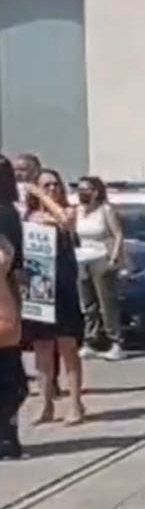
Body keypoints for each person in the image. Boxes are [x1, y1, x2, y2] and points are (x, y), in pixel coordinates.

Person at [22, 170, 86, 426]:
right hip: (39, 289)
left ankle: (75, 403)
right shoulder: (29, 217)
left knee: (67, 346)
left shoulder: (67, 212)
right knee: (42, 350)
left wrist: (43, 196)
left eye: (55, 184)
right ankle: (46, 404)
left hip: (64, 287)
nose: (51, 188)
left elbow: (64, 221)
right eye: (45, 185)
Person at [75, 176, 125, 360]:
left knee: (106, 302)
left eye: (86, 189)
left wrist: (114, 257)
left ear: (96, 192)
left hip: (101, 258)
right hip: (81, 259)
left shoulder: (105, 210)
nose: (82, 193)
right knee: (88, 304)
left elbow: (118, 234)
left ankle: (115, 342)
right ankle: (91, 341)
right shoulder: (78, 211)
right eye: (80, 189)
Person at [0, 156, 26, 459]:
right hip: (10, 291)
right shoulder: (12, 213)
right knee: (9, 365)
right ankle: (8, 433)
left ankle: (7, 434)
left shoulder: (4, 214)